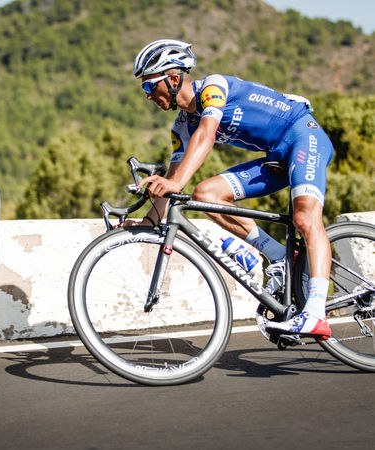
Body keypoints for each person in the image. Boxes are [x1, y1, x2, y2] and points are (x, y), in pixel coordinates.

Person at [125, 39, 334, 338]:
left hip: (303, 136)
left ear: (173, 79)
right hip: (276, 157)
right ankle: (278, 255)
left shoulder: (214, 87)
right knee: (205, 194)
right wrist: (148, 222)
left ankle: (315, 313)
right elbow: (173, 179)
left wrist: (175, 182)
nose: (147, 95)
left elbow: (207, 133)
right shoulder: (181, 127)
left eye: (149, 85)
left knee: (305, 217)